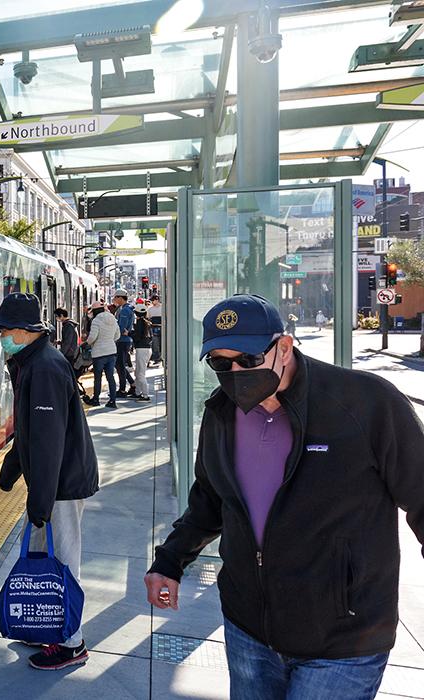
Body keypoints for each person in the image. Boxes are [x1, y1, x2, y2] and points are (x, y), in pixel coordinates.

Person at [145, 293, 424, 700]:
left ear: (284, 347)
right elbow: (209, 499)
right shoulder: (221, 413)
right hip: (248, 632)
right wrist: (169, 561)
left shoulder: (366, 403)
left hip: (343, 640)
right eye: (221, 364)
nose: (236, 372)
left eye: (249, 359)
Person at [0, 293, 99, 670]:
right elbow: (30, 429)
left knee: (63, 560)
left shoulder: (45, 368)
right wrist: (12, 469)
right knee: (44, 554)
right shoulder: (31, 362)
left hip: (62, 483)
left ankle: (71, 643)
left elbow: (49, 441)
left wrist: (41, 500)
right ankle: (47, 625)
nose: (0, 336)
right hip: (53, 482)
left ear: (22, 331)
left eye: (3, 330)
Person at [83, 301, 120, 408]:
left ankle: (96, 399)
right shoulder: (112, 318)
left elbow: (92, 337)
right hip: (111, 351)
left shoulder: (96, 320)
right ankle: (112, 401)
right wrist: (109, 340)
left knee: (98, 378)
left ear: (94, 311)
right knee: (110, 377)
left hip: (99, 353)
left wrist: (88, 343)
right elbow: (117, 335)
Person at [111, 291, 136, 398]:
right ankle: (132, 384)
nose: (114, 300)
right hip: (125, 340)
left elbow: (121, 327)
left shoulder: (125, 310)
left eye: (115, 298)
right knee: (119, 364)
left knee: (120, 365)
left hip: (122, 340)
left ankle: (122, 389)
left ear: (120, 298)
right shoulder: (128, 308)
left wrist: (113, 336)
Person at [131, 303, 153, 402]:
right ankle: (138, 392)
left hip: (141, 349)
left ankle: (145, 395)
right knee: (139, 372)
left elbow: (137, 336)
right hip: (147, 349)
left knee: (140, 373)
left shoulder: (140, 323)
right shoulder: (147, 322)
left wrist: (129, 333)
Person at [147, 296, 163, 365]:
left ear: (156, 300)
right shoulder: (150, 309)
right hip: (154, 328)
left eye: (152, 300)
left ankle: (161, 357)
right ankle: (157, 358)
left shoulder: (163, 308)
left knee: (162, 343)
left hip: (162, 327)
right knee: (155, 343)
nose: (152, 302)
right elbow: (148, 318)